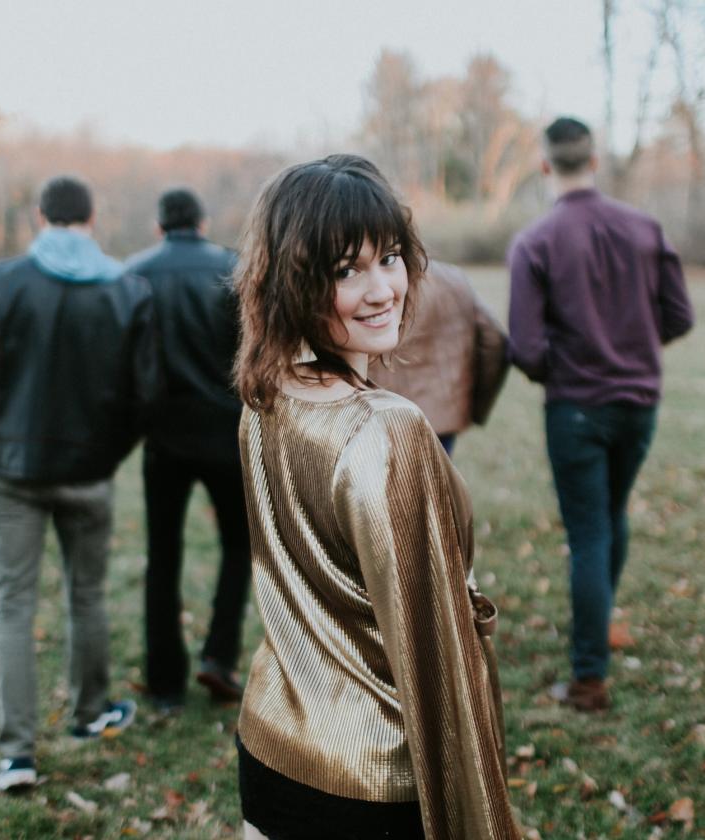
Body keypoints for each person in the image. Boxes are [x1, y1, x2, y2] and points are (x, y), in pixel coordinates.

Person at [231, 155, 520, 840]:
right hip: (370, 780)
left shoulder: (266, 395)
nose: (383, 288)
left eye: (389, 257)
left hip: (272, 744)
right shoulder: (387, 431)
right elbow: (436, 652)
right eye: (344, 270)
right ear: (295, 284)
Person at [0, 175, 154, 791]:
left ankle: (17, 754)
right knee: (85, 594)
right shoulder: (127, 289)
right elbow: (145, 397)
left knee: (12, 602)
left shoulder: (0, 281)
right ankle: (88, 714)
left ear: (41, 217)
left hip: (12, 469)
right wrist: (107, 456)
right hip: (87, 471)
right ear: (90, 218)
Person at [507, 117, 694, 713]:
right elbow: (680, 316)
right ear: (595, 160)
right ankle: (599, 630)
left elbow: (527, 349)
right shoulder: (643, 227)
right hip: (639, 404)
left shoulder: (535, 241)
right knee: (609, 516)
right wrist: (633, 348)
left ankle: (589, 677)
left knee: (591, 530)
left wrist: (568, 368)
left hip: (577, 408)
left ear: (545, 166)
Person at [120, 188, 250, 710]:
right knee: (240, 546)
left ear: (159, 225)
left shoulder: (133, 273)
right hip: (226, 432)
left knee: (163, 555)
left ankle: (165, 679)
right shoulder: (231, 268)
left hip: (164, 437)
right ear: (202, 221)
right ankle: (218, 656)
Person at [369, 260, 509, 453]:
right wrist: (476, 406)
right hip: (441, 419)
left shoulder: (368, 283)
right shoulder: (452, 278)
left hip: (380, 416)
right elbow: (494, 339)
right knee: (437, 480)